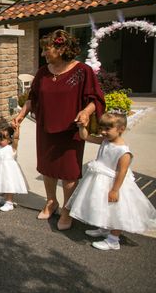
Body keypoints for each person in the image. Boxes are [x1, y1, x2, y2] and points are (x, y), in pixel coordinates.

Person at [12, 29, 105, 229]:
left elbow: (95, 98)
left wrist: (86, 112)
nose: (44, 54)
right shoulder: (43, 72)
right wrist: (21, 115)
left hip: (71, 130)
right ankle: (51, 201)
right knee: (48, 169)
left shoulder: (82, 71)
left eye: (47, 50)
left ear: (62, 48)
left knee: (69, 173)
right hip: (45, 128)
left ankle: (67, 209)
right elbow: (33, 97)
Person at [67, 112, 156, 250]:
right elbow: (86, 137)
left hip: (115, 184)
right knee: (102, 206)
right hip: (100, 181)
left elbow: (122, 172)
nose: (103, 132)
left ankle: (113, 240)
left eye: (107, 129)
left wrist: (115, 190)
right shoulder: (105, 141)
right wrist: (81, 127)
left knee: (116, 211)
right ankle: (104, 228)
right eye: (101, 128)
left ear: (121, 129)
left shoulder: (123, 151)